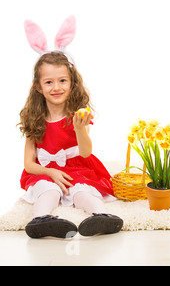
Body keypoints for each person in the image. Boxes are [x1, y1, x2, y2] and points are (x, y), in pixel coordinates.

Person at [18, 16, 123, 238]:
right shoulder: (33, 117)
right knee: (48, 189)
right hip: (44, 171)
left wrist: (78, 128)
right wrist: (49, 171)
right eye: (49, 82)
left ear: (72, 82)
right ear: (38, 86)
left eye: (62, 81)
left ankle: (100, 217)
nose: (56, 87)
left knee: (81, 190)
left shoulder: (78, 114)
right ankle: (41, 220)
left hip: (77, 168)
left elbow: (85, 152)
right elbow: (29, 164)